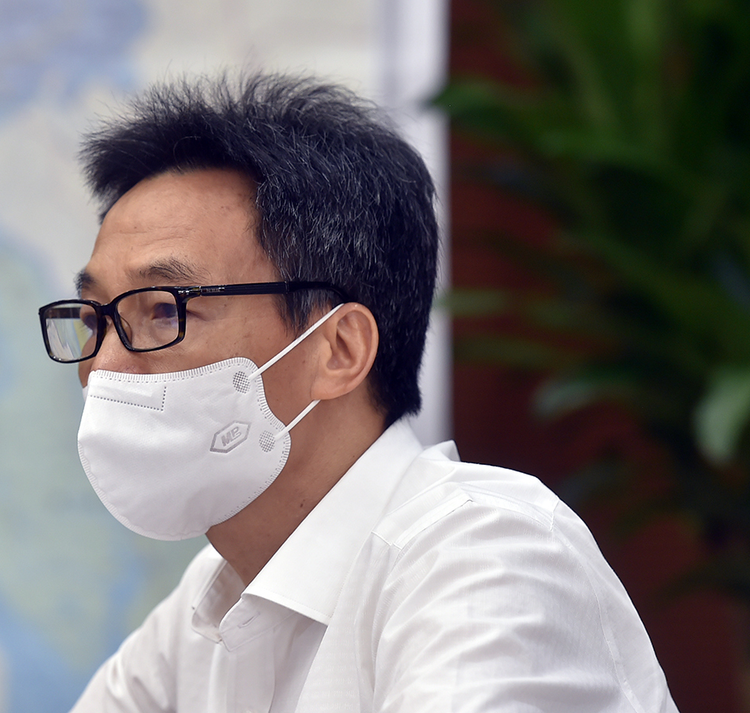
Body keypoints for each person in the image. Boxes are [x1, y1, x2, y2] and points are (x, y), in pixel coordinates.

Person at [37, 72, 677, 712]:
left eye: (163, 310)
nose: (104, 366)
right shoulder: (206, 610)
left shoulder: (486, 552)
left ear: (338, 349)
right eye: (94, 318)